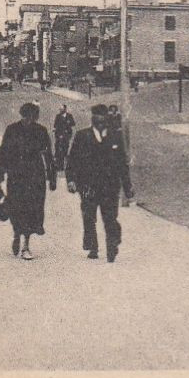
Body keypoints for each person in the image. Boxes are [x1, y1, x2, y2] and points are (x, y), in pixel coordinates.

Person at [66, 104, 134, 262]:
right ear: (92, 119)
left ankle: (112, 246)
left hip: (110, 186)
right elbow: (72, 159)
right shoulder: (82, 136)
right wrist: (71, 180)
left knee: (110, 218)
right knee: (89, 217)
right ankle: (93, 247)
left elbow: (122, 164)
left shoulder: (115, 137)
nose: (100, 119)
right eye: (96, 116)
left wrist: (127, 186)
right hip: (88, 185)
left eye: (102, 116)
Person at [0, 101, 56, 259]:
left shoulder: (41, 131)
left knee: (32, 209)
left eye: (32, 117)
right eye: (26, 117)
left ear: (35, 117)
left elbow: (48, 154)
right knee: (16, 207)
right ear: (22, 115)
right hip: (16, 175)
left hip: (35, 175)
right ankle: (16, 234)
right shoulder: (12, 130)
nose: (29, 120)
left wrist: (52, 176)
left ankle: (26, 245)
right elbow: (4, 153)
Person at [52, 105, 77, 170]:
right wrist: (56, 130)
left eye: (61, 109)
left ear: (65, 109)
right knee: (58, 149)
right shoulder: (58, 116)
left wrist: (68, 125)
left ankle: (64, 165)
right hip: (59, 135)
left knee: (65, 149)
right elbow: (55, 125)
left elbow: (73, 124)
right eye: (60, 109)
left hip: (66, 136)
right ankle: (59, 165)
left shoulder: (69, 116)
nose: (60, 110)